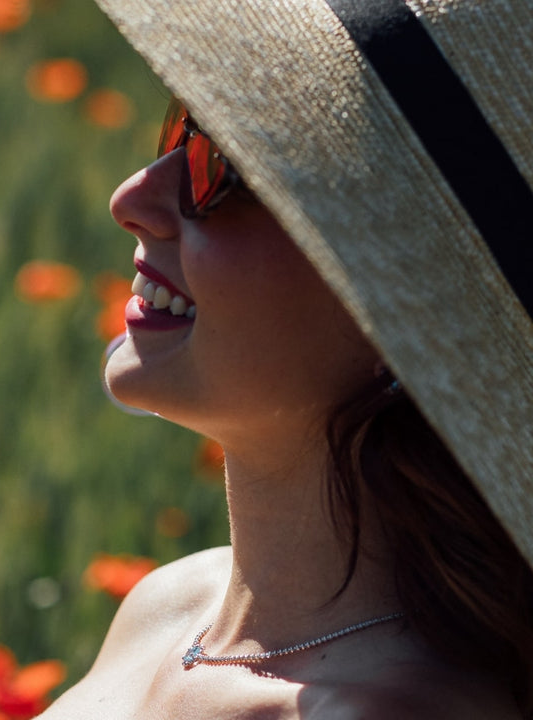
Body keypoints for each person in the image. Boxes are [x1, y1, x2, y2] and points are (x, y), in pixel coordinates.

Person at [41, 0, 533, 717]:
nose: (134, 197)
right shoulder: (169, 606)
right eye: (181, 127)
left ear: (400, 304)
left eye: (224, 168)